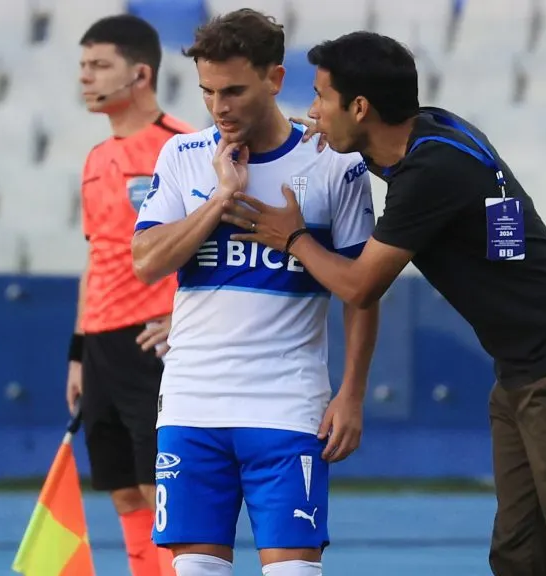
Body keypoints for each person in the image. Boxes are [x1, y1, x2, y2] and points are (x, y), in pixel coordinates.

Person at [220, 31, 546, 576]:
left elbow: (360, 287)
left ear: (360, 106)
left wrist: (294, 238)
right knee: (519, 553)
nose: (313, 113)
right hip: (528, 367)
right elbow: (465, 207)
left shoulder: (431, 173)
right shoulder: (437, 132)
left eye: (323, 99)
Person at [130, 9, 379, 576]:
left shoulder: (331, 164)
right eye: (208, 91)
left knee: (294, 571)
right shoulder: (185, 157)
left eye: (235, 90)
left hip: (287, 403)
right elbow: (145, 262)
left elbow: (362, 290)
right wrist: (219, 201)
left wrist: (353, 393)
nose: (220, 106)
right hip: (193, 400)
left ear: (274, 78)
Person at [69, 14, 193, 576]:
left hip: (153, 341)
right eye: (82, 66)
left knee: (156, 488)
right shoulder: (96, 159)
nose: (85, 78)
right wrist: (78, 352)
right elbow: (97, 258)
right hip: (100, 345)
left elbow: (216, 245)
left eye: (99, 66)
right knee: (121, 490)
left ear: (140, 73)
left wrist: (183, 319)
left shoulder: (183, 147)